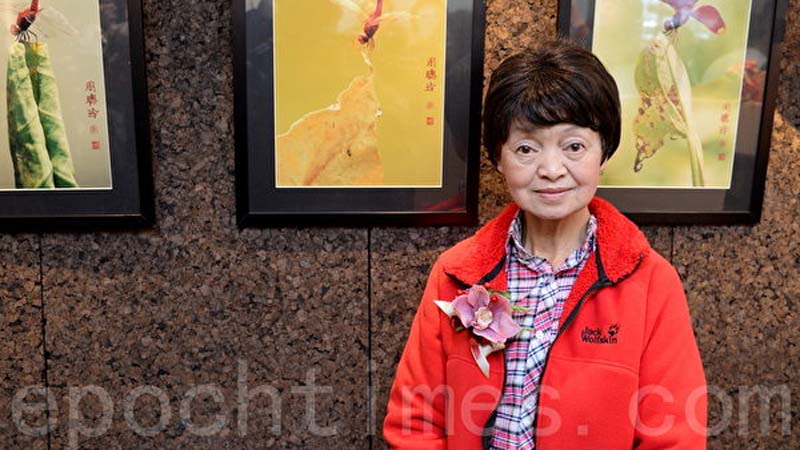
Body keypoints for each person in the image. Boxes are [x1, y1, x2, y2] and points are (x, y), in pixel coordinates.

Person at [383, 39, 707, 449]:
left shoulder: (651, 282)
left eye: (574, 147)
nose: (552, 169)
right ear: (498, 158)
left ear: (604, 152)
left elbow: (674, 437)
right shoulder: (455, 274)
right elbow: (414, 424)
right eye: (526, 148)